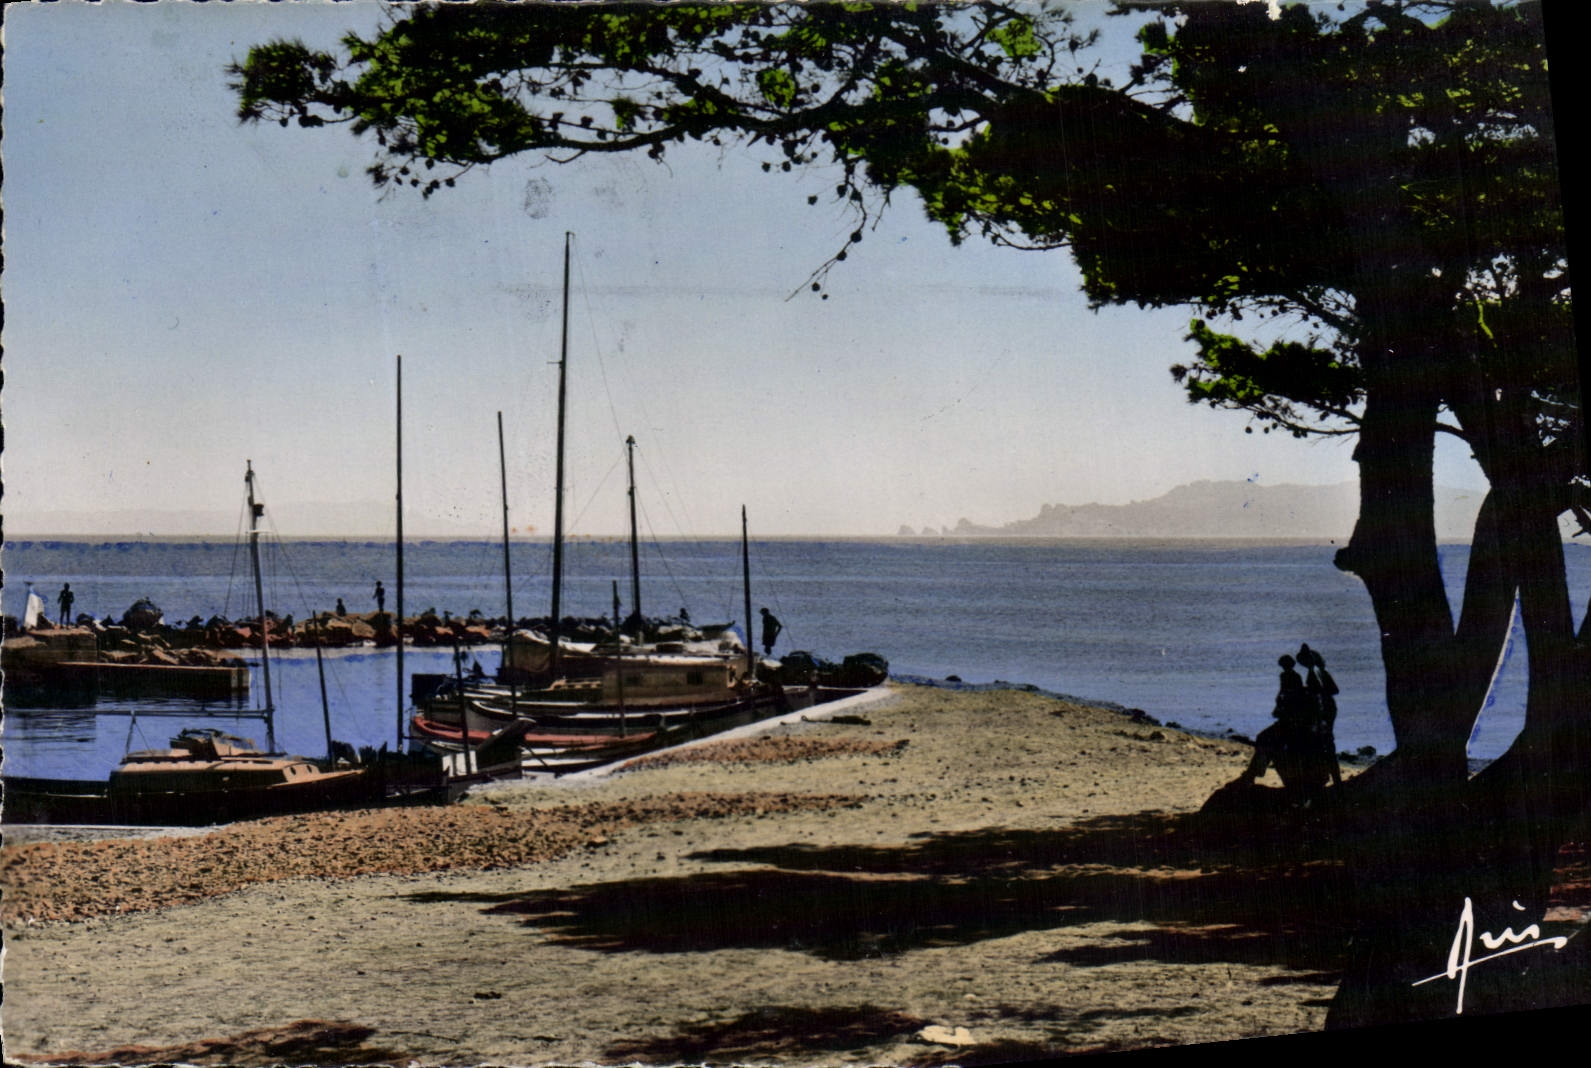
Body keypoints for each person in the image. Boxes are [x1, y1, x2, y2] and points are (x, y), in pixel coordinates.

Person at [1299, 644, 1343, 788]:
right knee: (1326, 743)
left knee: (1323, 743)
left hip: (1322, 712)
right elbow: (1334, 690)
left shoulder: (1314, 672)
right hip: (1329, 709)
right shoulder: (1322, 671)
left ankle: (1329, 779)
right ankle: (1334, 778)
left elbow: (1318, 694)